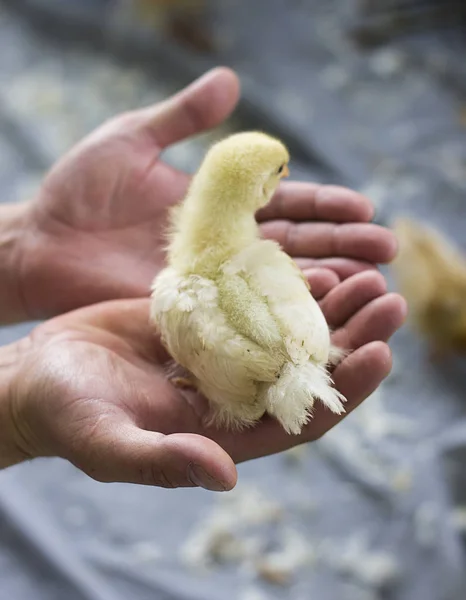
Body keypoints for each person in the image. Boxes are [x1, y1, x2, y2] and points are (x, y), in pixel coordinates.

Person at [0, 67, 406, 492]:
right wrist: (11, 407)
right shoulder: (258, 262)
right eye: (279, 171)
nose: (285, 177)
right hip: (292, 362)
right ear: (255, 191)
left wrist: (23, 248)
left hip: (269, 369)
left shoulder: (186, 284)